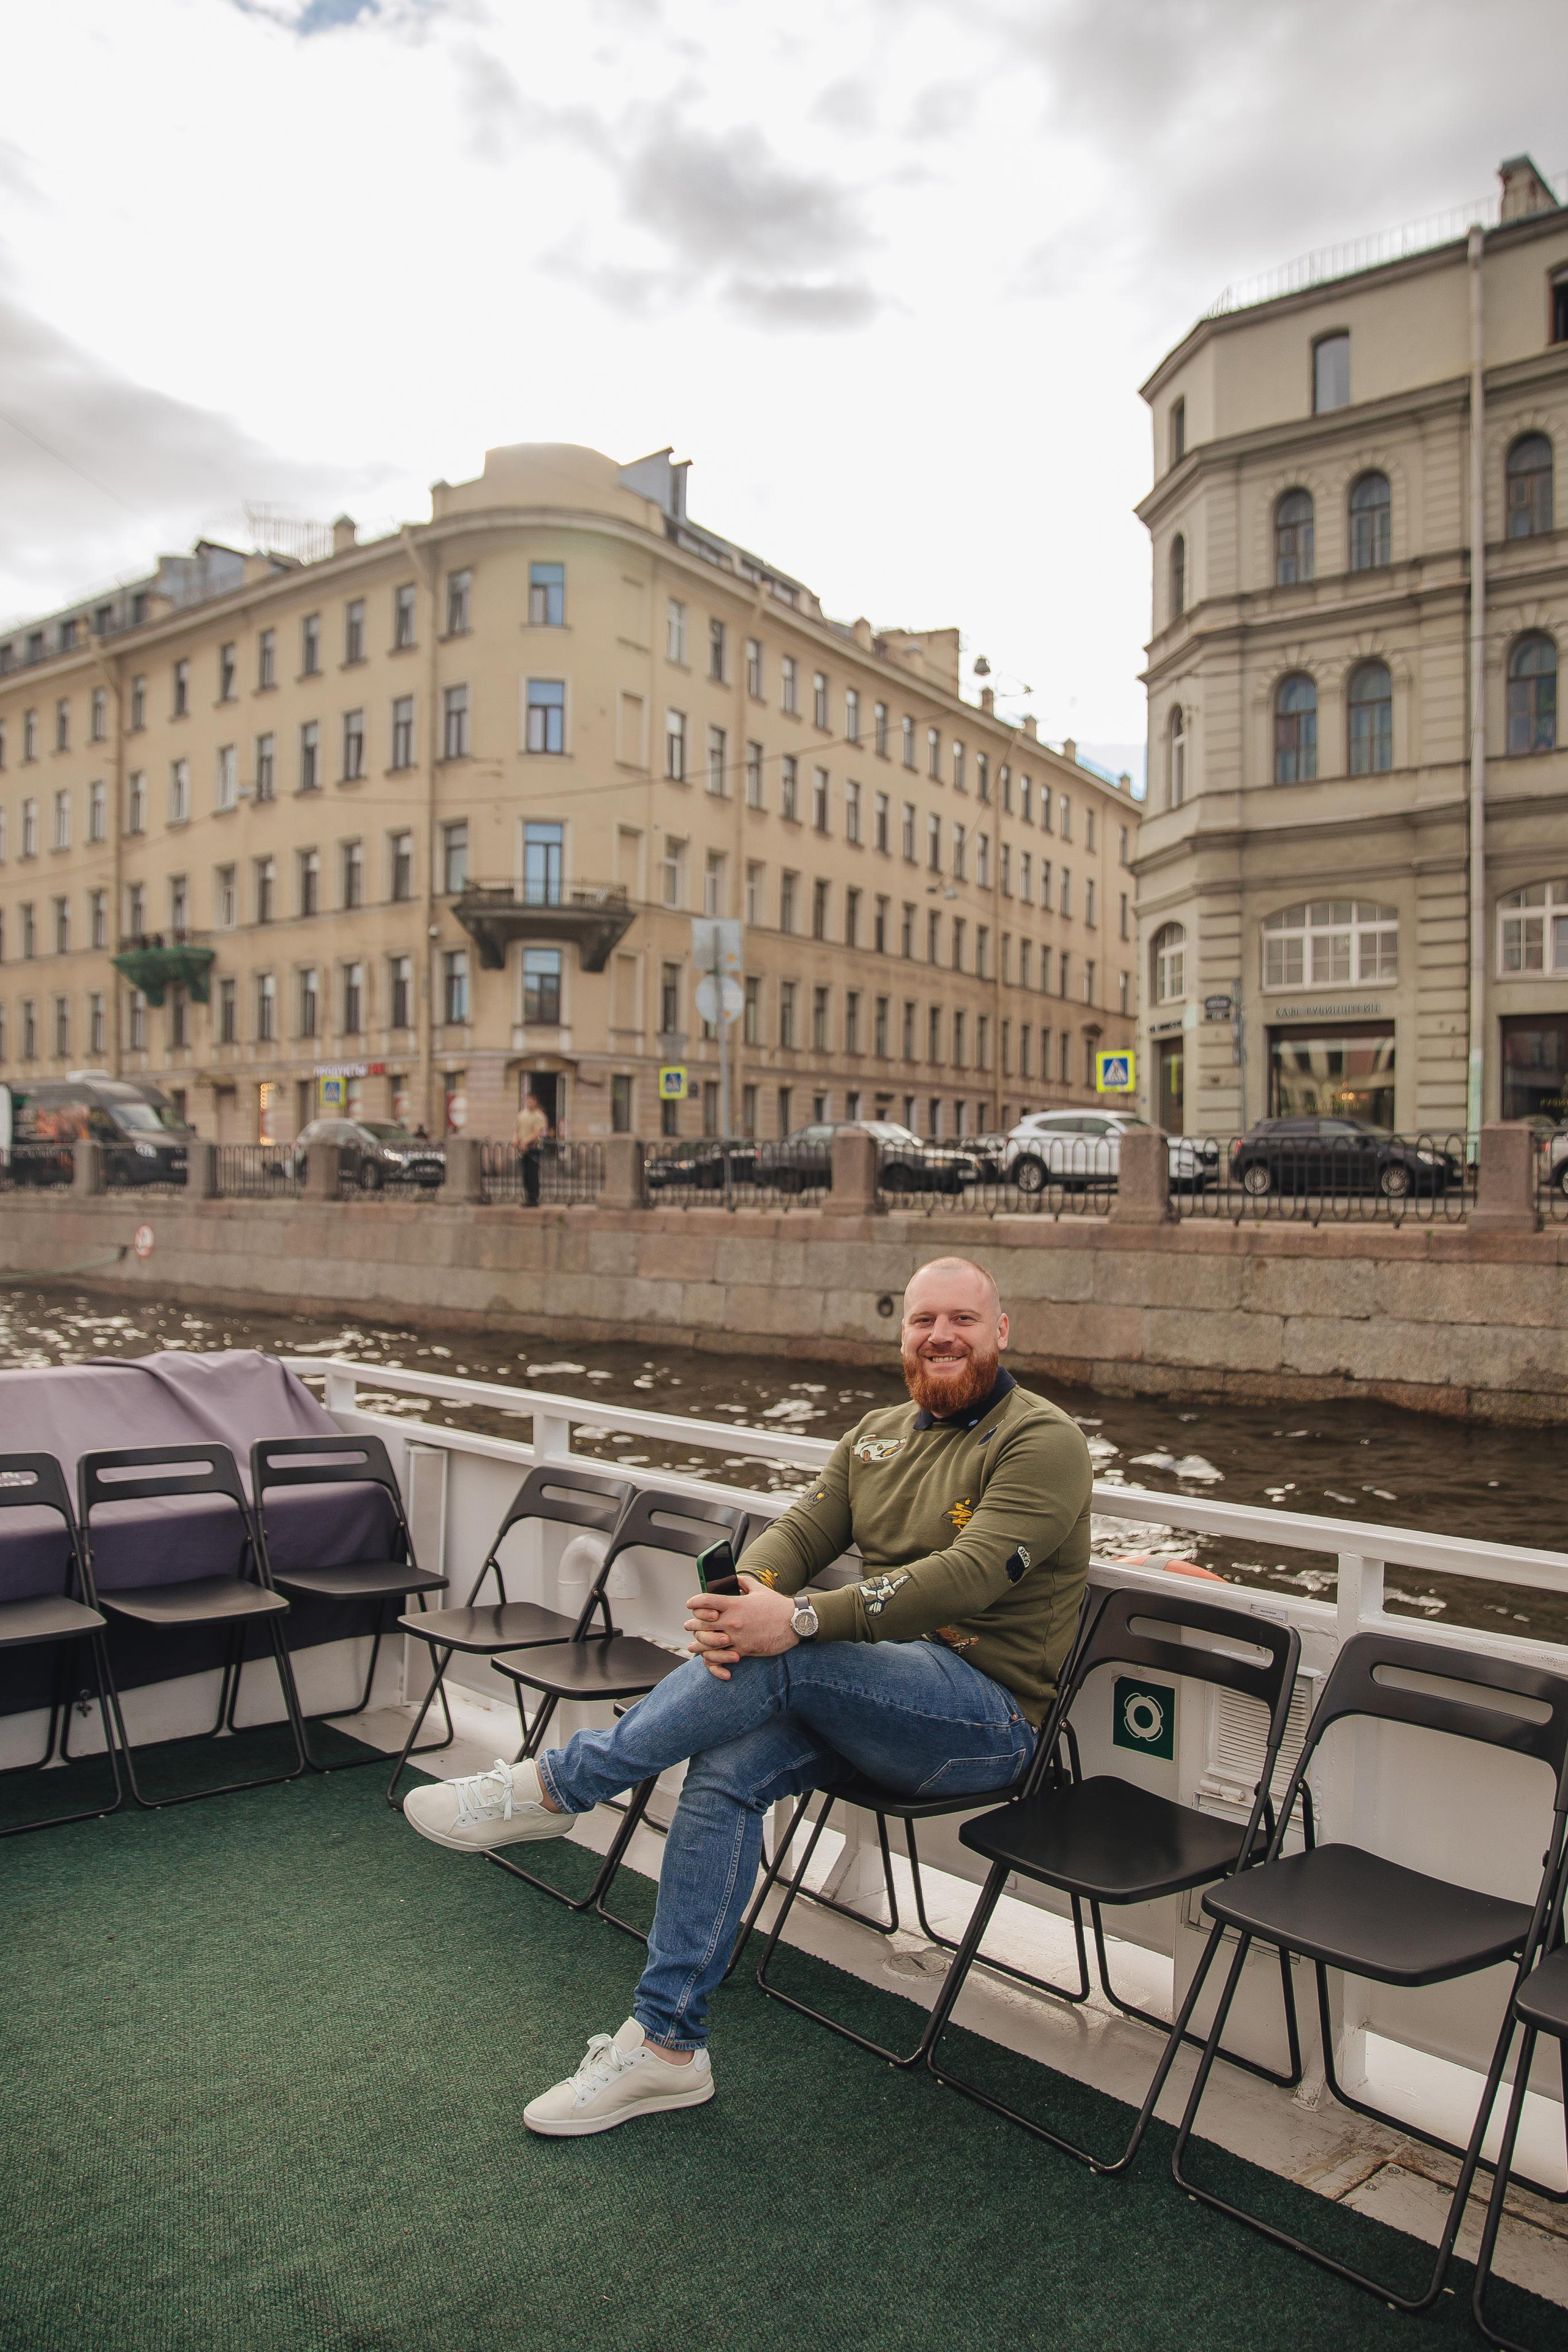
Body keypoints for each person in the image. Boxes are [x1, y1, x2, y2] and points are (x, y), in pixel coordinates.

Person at [402, 1254, 1091, 2137]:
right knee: (726, 1767)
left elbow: (965, 1576)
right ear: (903, 1336)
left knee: (789, 1654)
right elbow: (802, 1531)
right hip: (873, 1698)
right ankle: (667, 2049)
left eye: (963, 1319)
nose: (942, 1335)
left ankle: (558, 1787)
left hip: (985, 1719)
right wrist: (744, 1602)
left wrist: (794, 1622)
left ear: (1001, 1331)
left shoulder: (1043, 1438)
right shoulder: (877, 1435)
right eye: (924, 1321)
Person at [512, 1090, 549, 1207]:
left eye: (531, 1101)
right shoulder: (521, 1115)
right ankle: (528, 1197)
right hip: (523, 1149)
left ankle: (534, 1198)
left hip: (534, 1148)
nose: (528, 1103)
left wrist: (525, 1142)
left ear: (535, 1101)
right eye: (527, 1100)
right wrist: (516, 1140)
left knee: (533, 1174)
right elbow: (516, 1129)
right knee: (525, 1174)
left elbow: (537, 1132)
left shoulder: (539, 1116)